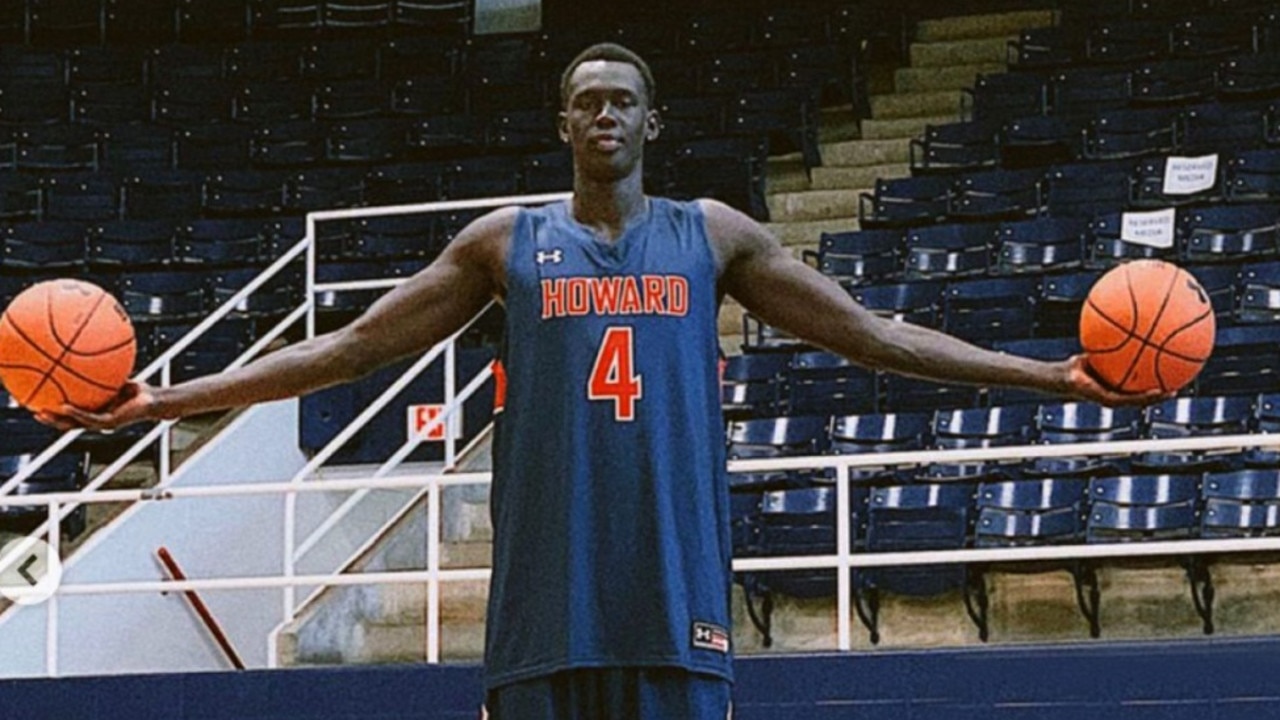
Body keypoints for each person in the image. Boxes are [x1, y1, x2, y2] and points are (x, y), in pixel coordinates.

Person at [42, 43, 1162, 720]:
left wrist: (1052, 376)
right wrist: (162, 404)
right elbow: (346, 352)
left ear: (651, 123)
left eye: (623, 100)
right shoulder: (503, 245)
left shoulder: (710, 236)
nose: (606, 114)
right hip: (541, 614)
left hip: (674, 606)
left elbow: (871, 336)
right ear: (564, 122)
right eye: (587, 100)